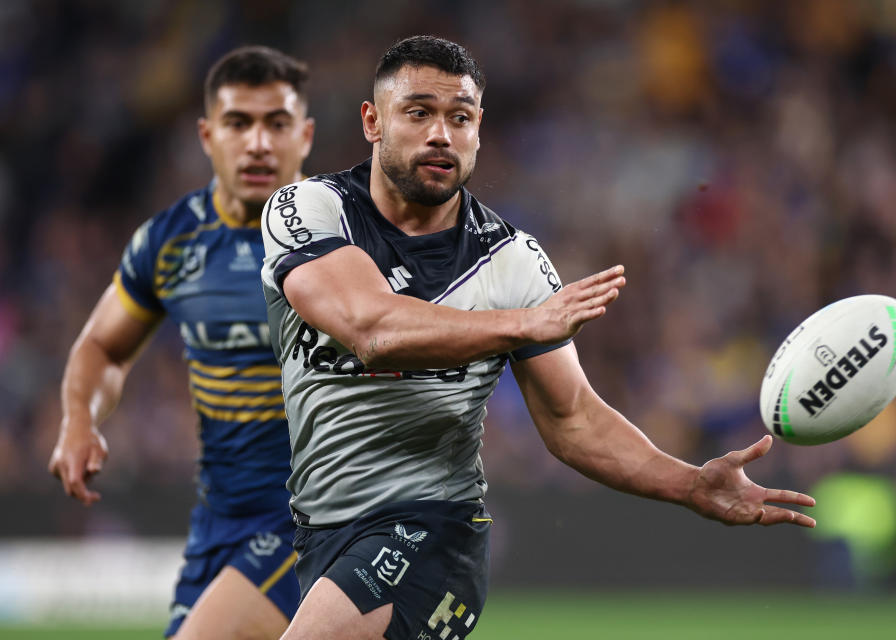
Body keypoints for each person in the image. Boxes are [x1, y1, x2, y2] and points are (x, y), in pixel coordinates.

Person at [260, 35, 815, 640]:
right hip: (321, 529)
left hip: (432, 531)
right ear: (373, 121)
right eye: (418, 113)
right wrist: (523, 324)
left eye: (460, 117)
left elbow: (571, 416)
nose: (441, 134)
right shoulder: (308, 209)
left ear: (479, 130)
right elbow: (369, 327)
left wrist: (687, 481)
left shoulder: (511, 261)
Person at [48, 45, 315, 639]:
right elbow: (102, 348)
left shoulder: (344, 235)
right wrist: (79, 418)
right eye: (238, 123)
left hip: (314, 513)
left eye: (277, 124)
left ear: (306, 135)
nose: (258, 144)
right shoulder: (171, 241)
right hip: (219, 522)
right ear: (206, 134)